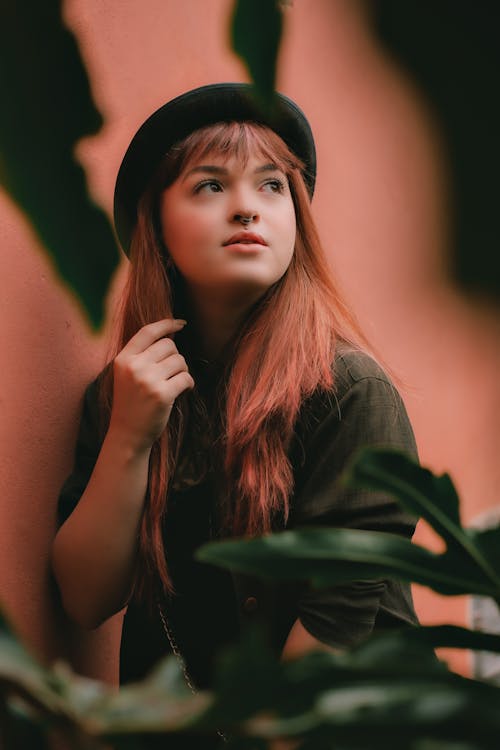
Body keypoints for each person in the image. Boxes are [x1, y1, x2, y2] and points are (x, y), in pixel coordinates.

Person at [52, 82, 418, 741]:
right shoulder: (125, 390)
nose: (248, 207)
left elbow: (329, 645)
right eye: (210, 186)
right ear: (156, 229)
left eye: (272, 185)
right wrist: (130, 436)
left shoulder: (351, 392)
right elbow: (85, 599)